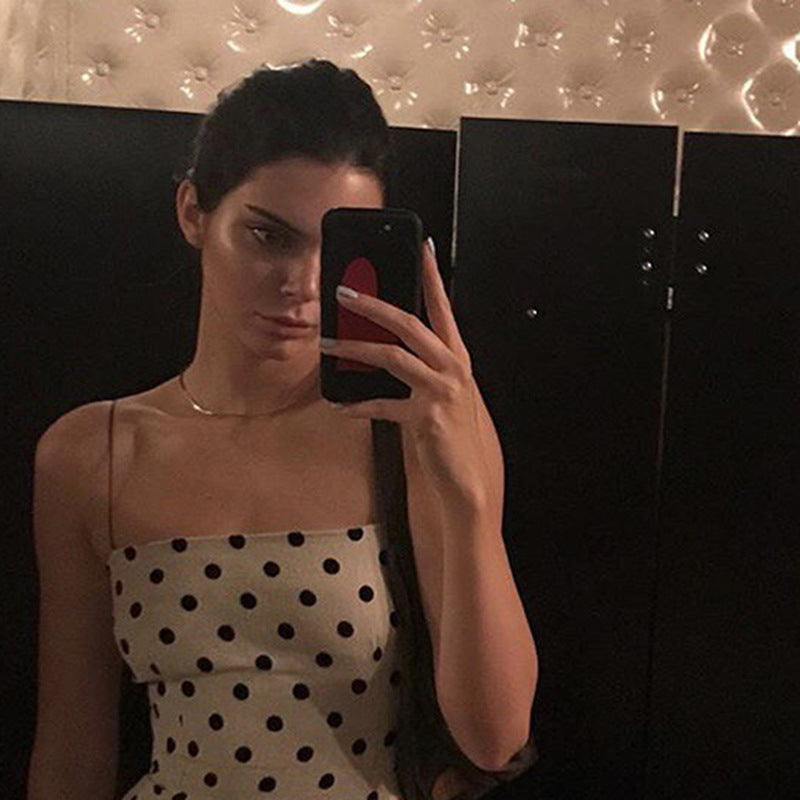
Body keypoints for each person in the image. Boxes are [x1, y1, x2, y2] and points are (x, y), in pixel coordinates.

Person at [27, 59, 537, 800]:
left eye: (339, 249)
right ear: (194, 213)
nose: (303, 284)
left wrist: (466, 499)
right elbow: (71, 754)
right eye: (269, 236)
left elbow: (496, 737)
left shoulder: (412, 426)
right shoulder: (91, 454)